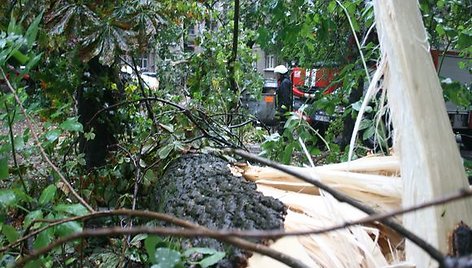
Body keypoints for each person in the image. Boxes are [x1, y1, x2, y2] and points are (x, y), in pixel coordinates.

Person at [274, 65, 293, 133]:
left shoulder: (285, 83)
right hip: (284, 108)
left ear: (281, 74)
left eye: (277, 74)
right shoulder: (284, 82)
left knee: (283, 126)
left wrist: (281, 110)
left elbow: (285, 97)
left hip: (285, 110)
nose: (276, 76)